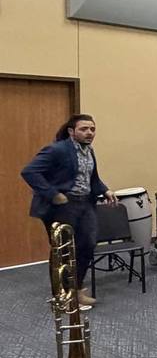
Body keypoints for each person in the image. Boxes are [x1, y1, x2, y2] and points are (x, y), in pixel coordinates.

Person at [21, 114, 116, 307]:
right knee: (63, 251)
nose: (89, 133)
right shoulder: (57, 150)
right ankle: (62, 296)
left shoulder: (89, 151)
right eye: (84, 129)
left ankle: (76, 290)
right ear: (71, 131)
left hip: (85, 204)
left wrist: (105, 189)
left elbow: (92, 179)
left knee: (87, 246)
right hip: (62, 206)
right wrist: (53, 194)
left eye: (92, 129)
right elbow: (29, 172)